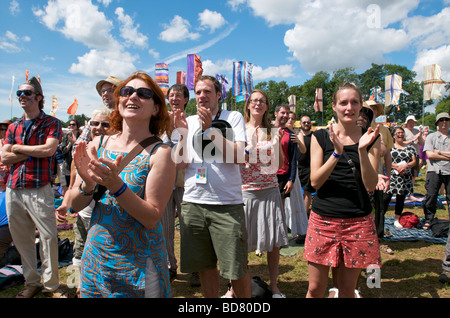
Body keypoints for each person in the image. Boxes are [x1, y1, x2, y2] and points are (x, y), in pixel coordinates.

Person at [70, 72, 175, 298]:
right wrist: (87, 185)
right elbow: (74, 205)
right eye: (127, 92)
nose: (133, 96)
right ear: (119, 102)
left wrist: (116, 185)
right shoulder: (97, 144)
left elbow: (152, 216)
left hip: (138, 264)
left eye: (143, 93)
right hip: (96, 258)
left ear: (156, 108)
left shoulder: (161, 153)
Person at [174, 75, 251, 298]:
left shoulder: (233, 117)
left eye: (207, 91)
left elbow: (239, 157)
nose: (201, 96)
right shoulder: (187, 121)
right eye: (198, 92)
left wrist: (210, 130)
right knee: (205, 265)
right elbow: (180, 164)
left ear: (218, 95)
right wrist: (181, 135)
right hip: (193, 203)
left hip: (226, 204)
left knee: (235, 269)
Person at [304, 82, 381, 298]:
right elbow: (315, 182)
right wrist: (336, 154)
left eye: (354, 102)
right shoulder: (320, 137)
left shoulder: (371, 137)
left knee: (347, 290)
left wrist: (362, 150)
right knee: (315, 288)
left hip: (358, 221)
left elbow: (370, 184)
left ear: (361, 105)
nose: (349, 107)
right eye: (343, 103)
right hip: (323, 220)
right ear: (334, 106)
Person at [1, 76, 64, 298]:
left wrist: (17, 148)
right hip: (13, 188)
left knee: (47, 237)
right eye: (19, 93)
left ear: (38, 97)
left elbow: (48, 150)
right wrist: (27, 150)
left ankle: (52, 285)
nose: (21, 97)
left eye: (26, 93)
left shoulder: (51, 123)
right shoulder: (14, 125)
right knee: (21, 238)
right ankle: (32, 282)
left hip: (39, 187)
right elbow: (4, 157)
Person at [226, 89, 288, 298]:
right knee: (239, 243)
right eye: (254, 100)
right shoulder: (239, 129)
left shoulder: (273, 130)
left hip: (269, 191)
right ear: (248, 105)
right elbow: (234, 160)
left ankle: (275, 286)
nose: (257, 104)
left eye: (262, 101)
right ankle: (233, 288)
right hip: (244, 192)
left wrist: (273, 146)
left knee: (273, 243)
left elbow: (278, 164)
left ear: (267, 106)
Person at [55, 107, 113, 297]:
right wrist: (65, 204)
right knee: (79, 253)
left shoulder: (117, 153)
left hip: (107, 220)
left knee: (105, 260)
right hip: (84, 214)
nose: (99, 128)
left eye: (105, 124)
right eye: (95, 123)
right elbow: (72, 185)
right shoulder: (80, 151)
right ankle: (79, 287)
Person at [161, 83, 190, 282]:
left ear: (186, 99)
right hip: (163, 182)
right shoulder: (159, 121)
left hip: (185, 181)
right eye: (171, 95)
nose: (174, 99)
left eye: (178, 95)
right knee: (165, 228)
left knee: (189, 226)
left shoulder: (192, 121)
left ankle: (194, 267)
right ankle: (170, 266)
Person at [382, 126, 417, 229]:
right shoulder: (389, 147)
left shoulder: (410, 147)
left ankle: (397, 219)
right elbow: (384, 160)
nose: (401, 134)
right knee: (386, 198)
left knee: (400, 199)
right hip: (391, 176)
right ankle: (379, 217)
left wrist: (406, 166)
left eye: (402, 133)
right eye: (398, 133)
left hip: (404, 177)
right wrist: (396, 166)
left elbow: (414, 161)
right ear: (393, 135)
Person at [422, 112, 450, 230]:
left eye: (446, 120)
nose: (444, 122)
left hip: (448, 170)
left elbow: (434, 154)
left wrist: (438, 152)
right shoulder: (431, 137)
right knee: (431, 196)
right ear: (437, 123)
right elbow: (429, 155)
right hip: (434, 170)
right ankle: (429, 219)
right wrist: (446, 155)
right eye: (441, 120)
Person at [273, 104, 299, 202]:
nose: (285, 115)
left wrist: (291, 179)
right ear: (276, 114)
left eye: (287, 113)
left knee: (280, 206)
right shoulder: (267, 130)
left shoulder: (291, 135)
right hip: (267, 174)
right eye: (282, 112)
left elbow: (293, 159)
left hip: (282, 175)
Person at [297, 115, 315, 215]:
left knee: (307, 192)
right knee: (295, 192)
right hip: (297, 166)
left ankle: (304, 214)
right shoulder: (296, 135)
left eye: (308, 122)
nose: (307, 124)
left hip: (309, 167)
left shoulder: (314, 136)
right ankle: (295, 215)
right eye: (304, 122)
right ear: (300, 124)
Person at [403, 115, 424, 201]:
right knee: (404, 174)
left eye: (413, 122)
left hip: (415, 155)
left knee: (413, 175)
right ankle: (403, 192)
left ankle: (410, 193)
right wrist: (412, 140)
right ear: (406, 123)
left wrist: (419, 136)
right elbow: (402, 142)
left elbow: (422, 143)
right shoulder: (403, 131)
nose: (411, 124)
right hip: (406, 155)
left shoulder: (417, 131)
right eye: (409, 122)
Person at [60, 119, 81, 190]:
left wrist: (75, 143)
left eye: (73, 124)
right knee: (69, 183)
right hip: (68, 163)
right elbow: (63, 151)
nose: (71, 126)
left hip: (79, 162)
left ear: (77, 125)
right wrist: (70, 144)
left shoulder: (81, 135)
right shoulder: (66, 136)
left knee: (78, 183)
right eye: (70, 124)